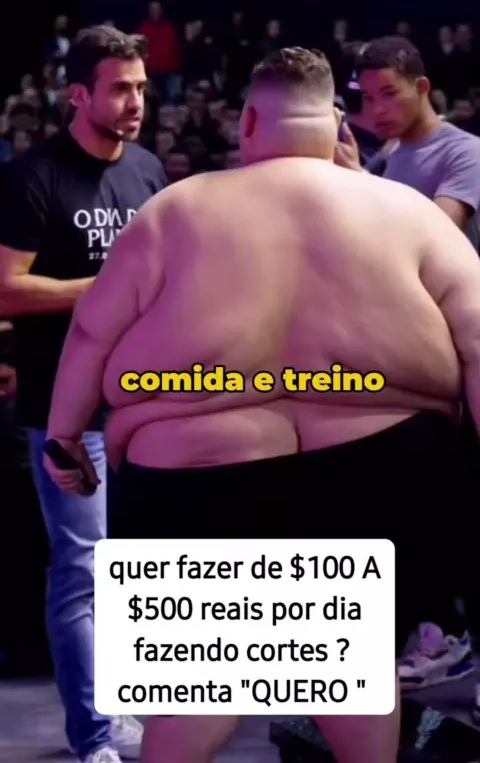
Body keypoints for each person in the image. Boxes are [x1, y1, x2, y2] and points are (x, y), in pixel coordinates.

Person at [43, 47, 480, 763]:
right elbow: (477, 341)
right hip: (377, 456)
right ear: (336, 122)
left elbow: (92, 331)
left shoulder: (174, 210)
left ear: (247, 121)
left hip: (196, 458)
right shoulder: (410, 214)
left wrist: (64, 437)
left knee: (197, 687)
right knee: (351, 664)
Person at [0, 25, 167, 763]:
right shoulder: (34, 176)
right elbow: (6, 288)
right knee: (81, 569)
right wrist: (103, 289)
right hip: (65, 408)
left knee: (131, 569)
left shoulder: (150, 171)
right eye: (120, 89)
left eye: (141, 87)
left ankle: (122, 708)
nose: (136, 101)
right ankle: (94, 737)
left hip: (145, 404)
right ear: (78, 95)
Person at [335, 35, 480, 691]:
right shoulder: (388, 159)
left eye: (389, 94)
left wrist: (358, 185)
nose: (377, 110)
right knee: (416, 507)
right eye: (367, 98)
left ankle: (451, 637)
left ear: (423, 88)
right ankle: (433, 633)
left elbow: (435, 234)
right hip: (405, 366)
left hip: (461, 356)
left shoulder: (462, 152)